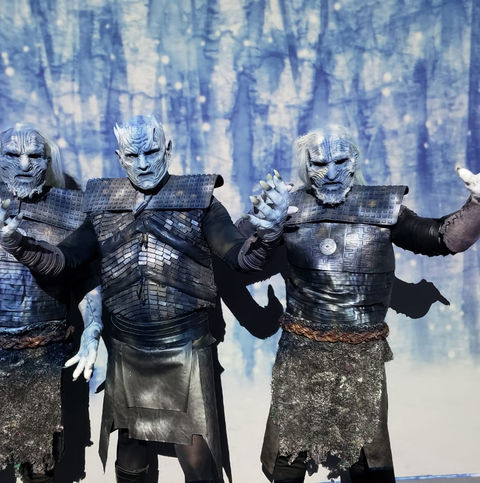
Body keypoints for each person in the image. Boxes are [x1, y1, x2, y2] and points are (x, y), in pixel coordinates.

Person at [0, 114, 280, 483]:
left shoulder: (199, 199)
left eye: (151, 152)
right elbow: (63, 262)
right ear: (120, 157)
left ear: (168, 150)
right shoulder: (104, 201)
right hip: (128, 346)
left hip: (185, 347)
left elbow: (239, 257)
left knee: (197, 462)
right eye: (133, 155)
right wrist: (17, 243)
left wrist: (267, 236)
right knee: (131, 458)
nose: (143, 164)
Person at [242, 125, 480, 483]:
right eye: (320, 163)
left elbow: (441, 239)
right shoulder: (285, 207)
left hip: (361, 356)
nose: (331, 172)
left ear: (353, 161)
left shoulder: (382, 206)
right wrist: (267, 233)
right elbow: (245, 264)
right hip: (301, 354)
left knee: (366, 462)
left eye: (340, 161)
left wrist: (477, 206)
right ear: (306, 166)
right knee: (288, 461)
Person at [0, 124, 100, 483]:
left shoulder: (73, 208)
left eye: (34, 155)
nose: (25, 164)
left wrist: (93, 330)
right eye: (13, 155)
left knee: (39, 469)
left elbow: (87, 280)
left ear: (48, 160)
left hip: (45, 355)